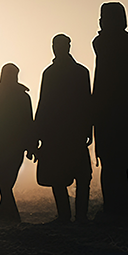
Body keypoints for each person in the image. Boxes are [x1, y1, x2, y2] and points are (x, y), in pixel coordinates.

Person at [92, 2, 128, 225]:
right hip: (121, 116)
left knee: (116, 164)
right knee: (118, 164)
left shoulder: (114, 44)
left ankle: (119, 208)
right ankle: (122, 207)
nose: (100, 22)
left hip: (116, 117)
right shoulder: (126, 43)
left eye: (104, 18)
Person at [35, 34, 93, 224]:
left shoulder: (53, 73)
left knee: (75, 175)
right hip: (66, 132)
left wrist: (38, 134)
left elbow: (44, 105)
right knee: (73, 175)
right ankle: (74, 216)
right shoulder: (78, 72)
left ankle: (71, 216)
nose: (57, 49)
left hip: (62, 133)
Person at [0, 63, 37, 224]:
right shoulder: (22, 97)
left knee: (4, 180)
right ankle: (8, 214)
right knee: (6, 180)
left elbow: (28, 122)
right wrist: (30, 145)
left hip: (0, 145)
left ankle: (7, 213)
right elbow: (28, 122)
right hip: (10, 146)